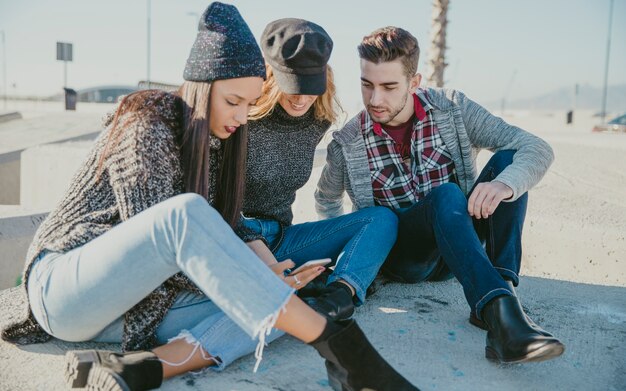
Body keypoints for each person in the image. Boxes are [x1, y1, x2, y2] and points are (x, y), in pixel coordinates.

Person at [0, 6, 418, 391]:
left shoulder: (225, 140)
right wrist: (253, 278)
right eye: (234, 102)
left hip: (134, 310)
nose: (242, 116)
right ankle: (344, 352)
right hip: (68, 290)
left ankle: (143, 366)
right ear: (201, 88)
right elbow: (165, 234)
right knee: (210, 240)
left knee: (281, 305)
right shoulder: (148, 120)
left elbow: (221, 234)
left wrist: (270, 281)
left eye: (249, 104)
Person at [315, 26, 565, 364]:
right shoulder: (347, 143)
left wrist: (504, 185)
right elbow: (327, 200)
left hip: (462, 242)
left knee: (508, 164)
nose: (375, 99)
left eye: (389, 87)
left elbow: (535, 147)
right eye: (366, 84)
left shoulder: (453, 109)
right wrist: (357, 258)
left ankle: (503, 307)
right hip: (406, 258)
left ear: (414, 82)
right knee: (447, 195)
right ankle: (500, 311)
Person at [242, 18, 398, 322]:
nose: (301, 99)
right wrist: (269, 265)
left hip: (283, 238)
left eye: (309, 87)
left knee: (382, 219)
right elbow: (215, 204)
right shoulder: (240, 118)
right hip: (239, 242)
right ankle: (295, 284)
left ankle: (338, 294)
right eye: (293, 87)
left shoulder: (317, 119)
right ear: (272, 76)